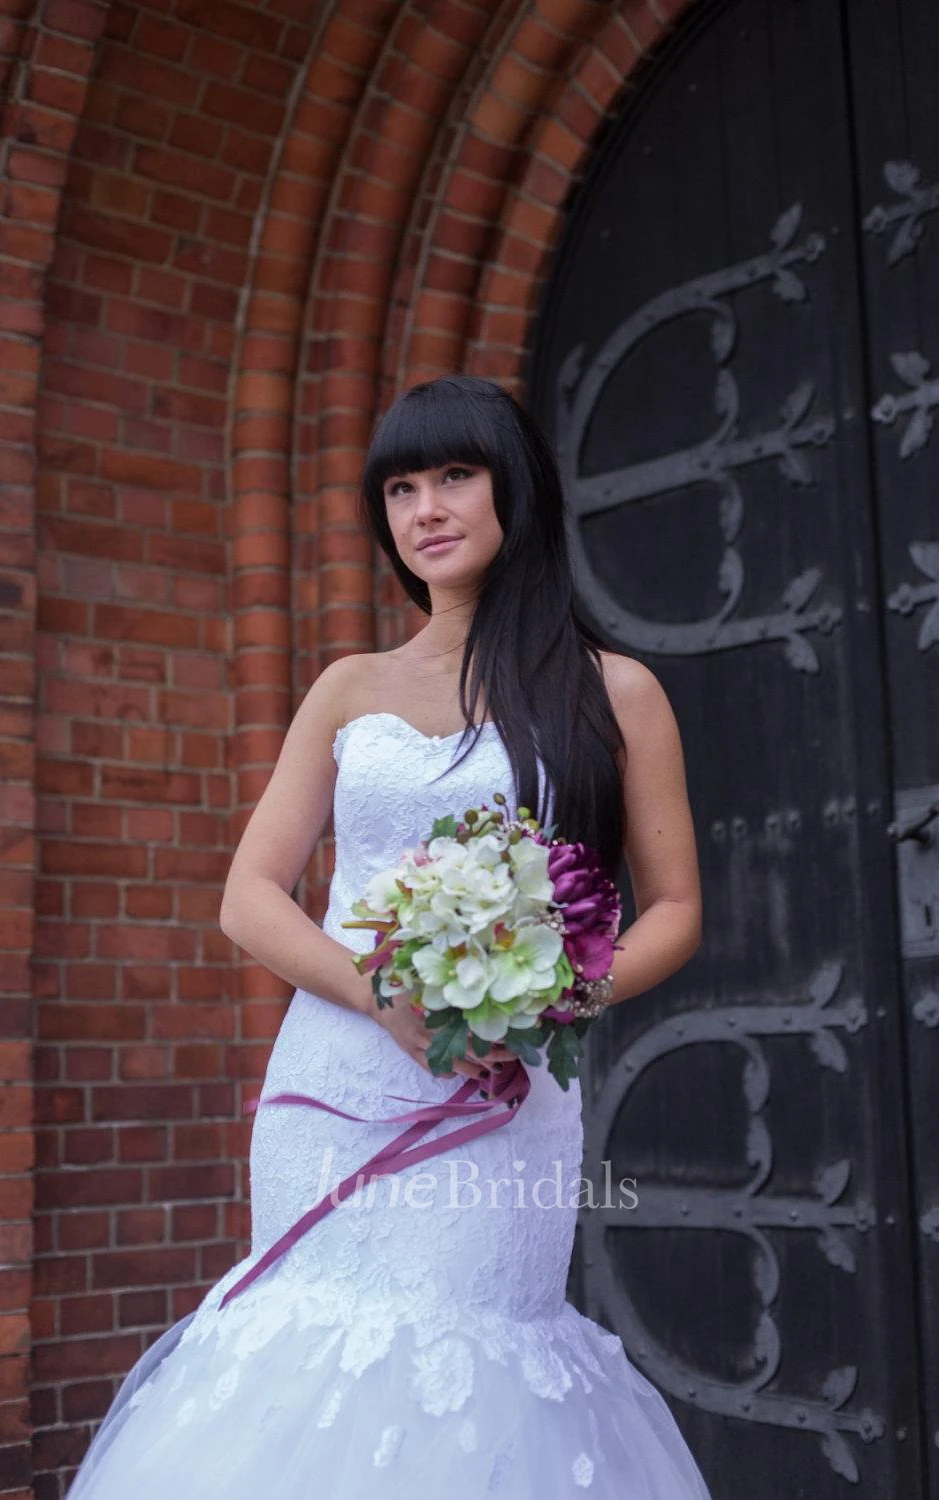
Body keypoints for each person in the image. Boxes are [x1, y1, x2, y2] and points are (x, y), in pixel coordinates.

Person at [66, 375, 711, 1497]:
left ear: (515, 487)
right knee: (311, 1350)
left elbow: (676, 912)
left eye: (455, 475)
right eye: (400, 488)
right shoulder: (348, 688)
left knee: (469, 1363)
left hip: (502, 1088)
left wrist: (551, 997)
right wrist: (383, 999)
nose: (425, 509)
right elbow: (250, 895)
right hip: (336, 1076)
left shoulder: (617, 694)